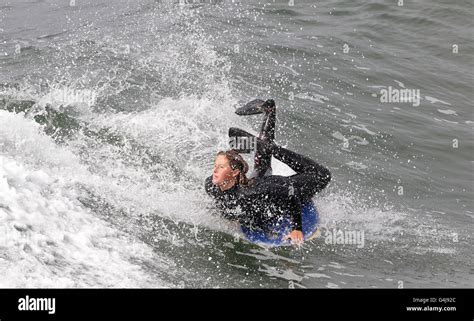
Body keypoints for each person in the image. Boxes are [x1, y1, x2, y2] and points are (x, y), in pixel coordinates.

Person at [204, 99, 331, 245]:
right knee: (261, 168)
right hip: (262, 184)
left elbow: (292, 192)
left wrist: (297, 228)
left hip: (291, 186)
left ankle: (267, 147)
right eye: (215, 165)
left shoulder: (252, 192)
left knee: (323, 175)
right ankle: (269, 111)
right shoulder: (211, 185)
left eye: (220, 167)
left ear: (234, 173)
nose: (214, 170)